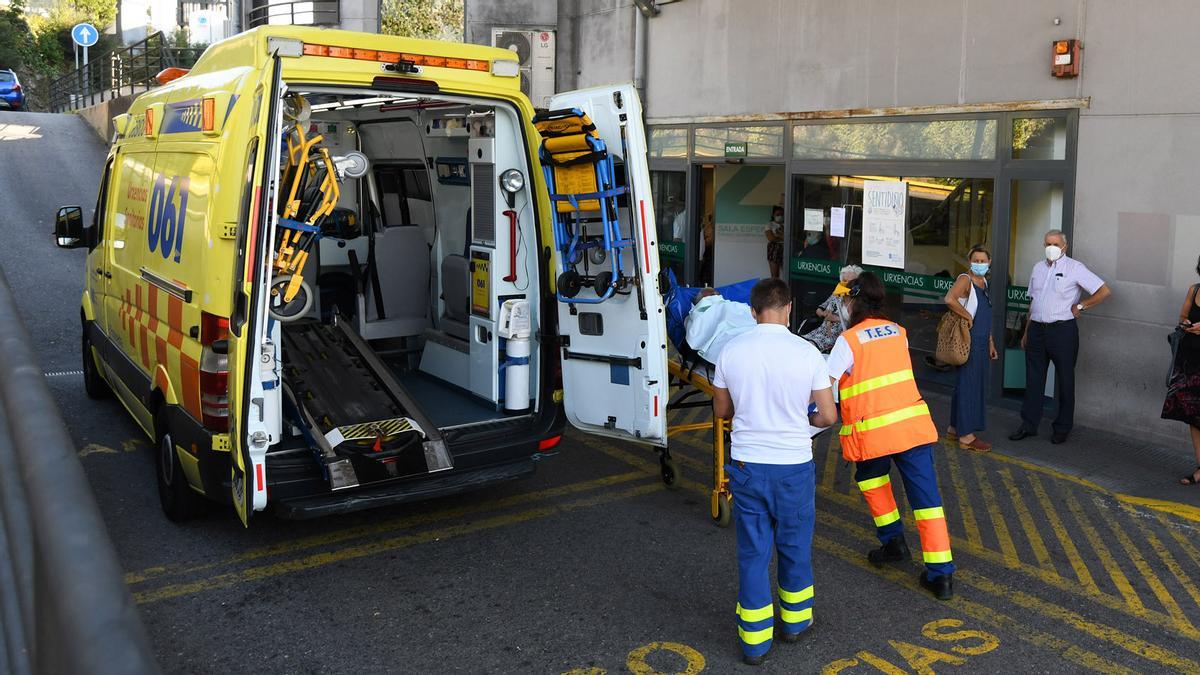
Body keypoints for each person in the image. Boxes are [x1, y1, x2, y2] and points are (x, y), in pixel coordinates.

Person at [712, 278, 837, 666]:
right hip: (793, 466)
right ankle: (795, 624)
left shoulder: (730, 351)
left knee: (752, 553)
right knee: (795, 546)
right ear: (788, 308)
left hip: (748, 466)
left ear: (752, 311)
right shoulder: (808, 353)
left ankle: (754, 644)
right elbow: (828, 415)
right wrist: (804, 422)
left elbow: (721, 411)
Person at [827, 272, 956, 600]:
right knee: (927, 502)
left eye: (844, 299)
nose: (841, 304)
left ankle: (893, 543)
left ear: (853, 300)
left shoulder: (849, 340)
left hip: (872, 435)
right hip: (912, 427)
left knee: (872, 482)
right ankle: (941, 577)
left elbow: (826, 387)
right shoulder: (899, 332)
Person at [1009, 229, 1112, 445]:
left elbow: (1104, 291)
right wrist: (1027, 331)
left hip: (1062, 331)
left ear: (1064, 247)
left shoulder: (1075, 268)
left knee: (1065, 380)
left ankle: (1062, 428)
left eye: (1055, 244)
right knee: (1033, 379)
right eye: (1048, 243)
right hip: (1037, 329)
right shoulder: (1037, 268)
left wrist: (1081, 305)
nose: (1051, 247)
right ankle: (1029, 425)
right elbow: (1033, 302)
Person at [943, 246, 999, 451]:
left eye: (983, 260)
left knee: (964, 385)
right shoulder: (965, 280)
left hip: (982, 340)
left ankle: (954, 428)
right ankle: (966, 437)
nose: (980, 263)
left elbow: (986, 316)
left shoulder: (984, 283)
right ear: (969, 261)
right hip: (970, 341)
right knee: (970, 386)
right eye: (976, 260)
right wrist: (967, 316)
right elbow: (949, 298)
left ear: (989, 263)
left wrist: (991, 342)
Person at [1162, 257, 1200, 485]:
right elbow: (1182, 317)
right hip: (1190, 363)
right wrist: (1186, 323)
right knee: (1193, 417)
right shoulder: (1194, 290)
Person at [802, 264, 862, 353]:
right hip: (821, 331)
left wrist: (835, 318)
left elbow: (858, 323)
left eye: (851, 281)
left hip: (838, 336)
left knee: (810, 348)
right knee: (801, 343)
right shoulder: (837, 295)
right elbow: (820, 308)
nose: (848, 284)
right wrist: (824, 314)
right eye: (845, 281)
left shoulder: (859, 300)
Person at [765, 206, 784, 279]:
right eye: (778, 214)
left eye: (782, 214)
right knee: (775, 275)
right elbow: (771, 238)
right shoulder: (769, 225)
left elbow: (788, 238)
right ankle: (774, 290)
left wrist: (778, 236)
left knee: (788, 273)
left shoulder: (787, 224)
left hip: (785, 248)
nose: (780, 216)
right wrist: (782, 236)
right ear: (773, 215)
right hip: (774, 248)